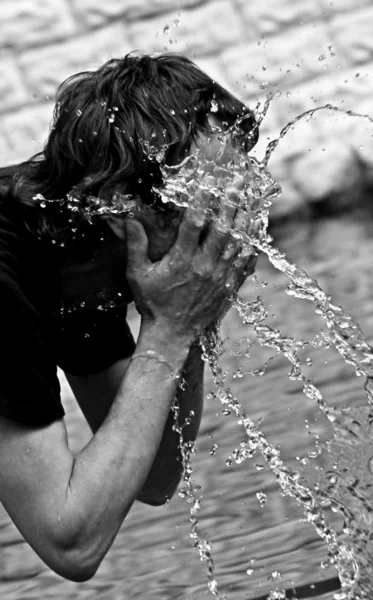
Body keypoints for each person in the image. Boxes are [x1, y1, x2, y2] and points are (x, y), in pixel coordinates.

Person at [0, 53, 259, 582]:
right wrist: (170, 329)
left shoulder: (77, 248)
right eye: (209, 208)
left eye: (239, 203)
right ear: (118, 203)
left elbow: (155, 475)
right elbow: (70, 539)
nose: (231, 231)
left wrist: (188, 318)